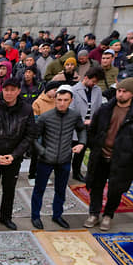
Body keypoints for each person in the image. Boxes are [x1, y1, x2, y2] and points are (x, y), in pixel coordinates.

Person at [83, 78, 133, 231]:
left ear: (132, 94)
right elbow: (93, 129)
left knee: (116, 189)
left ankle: (108, 215)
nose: (120, 94)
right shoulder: (105, 109)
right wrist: (94, 144)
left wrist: (131, 151)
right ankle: (94, 213)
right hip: (101, 154)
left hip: (121, 158)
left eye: (124, 91)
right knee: (96, 186)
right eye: (119, 91)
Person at [0, 78, 37, 231]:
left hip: (13, 159)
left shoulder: (27, 110)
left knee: (9, 189)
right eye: (6, 90)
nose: (9, 93)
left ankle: (6, 218)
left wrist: (14, 155)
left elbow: (29, 135)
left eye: (12, 90)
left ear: (18, 91)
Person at [30, 86, 85, 229]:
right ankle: (35, 216)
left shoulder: (74, 116)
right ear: (55, 100)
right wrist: (42, 152)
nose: (62, 103)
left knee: (61, 190)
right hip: (45, 160)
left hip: (65, 160)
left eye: (65, 100)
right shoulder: (45, 117)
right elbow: (33, 138)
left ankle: (57, 215)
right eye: (59, 100)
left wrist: (81, 143)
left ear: (71, 100)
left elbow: (81, 129)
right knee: (39, 189)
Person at [69, 68, 104, 181]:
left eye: (96, 82)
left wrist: (94, 121)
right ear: (86, 78)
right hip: (76, 126)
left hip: (91, 126)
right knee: (72, 149)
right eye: (93, 81)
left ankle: (77, 172)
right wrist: (82, 121)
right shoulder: (74, 90)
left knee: (82, 152)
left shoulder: (97, 90)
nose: (94, 84)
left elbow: (98, 108)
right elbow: (71, 109)